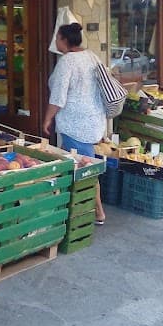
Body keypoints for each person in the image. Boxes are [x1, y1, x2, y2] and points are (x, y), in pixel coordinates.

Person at [43, 22, 107, 225]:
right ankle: (69, 208)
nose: (55, 42)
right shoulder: (92, 57)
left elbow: (58, 97)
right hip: (94, 120)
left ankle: (96, 212)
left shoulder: (67, 62)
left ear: (63, 40)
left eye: (57, 38)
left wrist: (47, 119)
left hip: (76, 125)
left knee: (85, 170)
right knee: (72, 165)